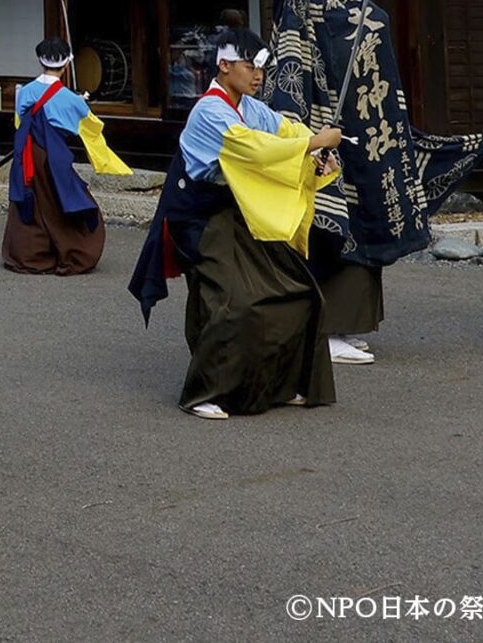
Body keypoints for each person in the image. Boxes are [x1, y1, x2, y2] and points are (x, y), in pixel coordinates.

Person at [260, 0, 483, 368]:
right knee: (333, 230)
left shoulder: (342, 8)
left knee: (364, 220)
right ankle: (322, 328)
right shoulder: (297, 16)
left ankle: (344, 325)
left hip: (362, 134)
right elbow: (289, 85)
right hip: (322, 138)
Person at [129, 29, 342, 418]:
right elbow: (253, 149)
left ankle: (285, 383)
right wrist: (310, 145)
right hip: (196, 217)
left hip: (236, 211)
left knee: (300, 291)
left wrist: (314, 145)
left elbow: (283, 129)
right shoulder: (209, 111)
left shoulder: (249, 106)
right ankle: (203, 392)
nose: (258, 75)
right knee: (233, 303)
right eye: (250, 66)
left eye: (261, 67)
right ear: (224, 66)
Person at [0, 36, 132, 275]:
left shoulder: (26, 91)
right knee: (62, 202)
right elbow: (88, 127)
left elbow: (20, 122)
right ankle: (74, 252)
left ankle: (28, 255)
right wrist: (80, 102)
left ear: (40, 61)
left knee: (32, 202)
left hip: (27, 156)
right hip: (54, 158)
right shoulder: (70, 99)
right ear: (67, 64)